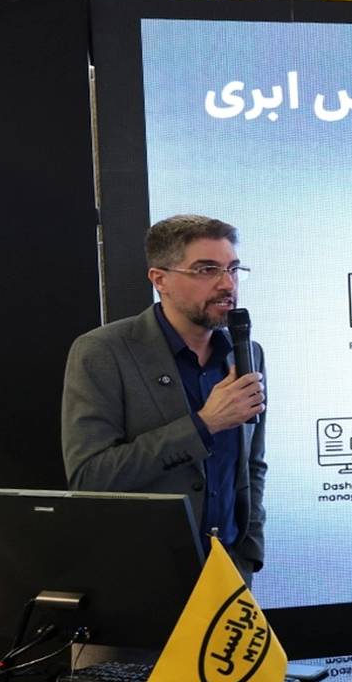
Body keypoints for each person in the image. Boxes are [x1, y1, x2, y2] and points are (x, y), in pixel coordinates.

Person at [61, 215, 267, 584]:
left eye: (233, 269)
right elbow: (90, 478)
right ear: (160, 280)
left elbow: (252, 464)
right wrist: (204, 425)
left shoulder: (246, 352)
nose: (227, 284)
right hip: (141, 580)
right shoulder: (103, 351)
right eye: (207, 270)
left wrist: (248, 553)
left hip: (228, 575)